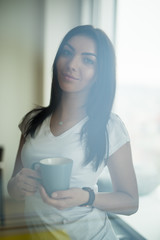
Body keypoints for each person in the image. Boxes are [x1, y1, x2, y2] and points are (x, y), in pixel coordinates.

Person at [7, 25, 139, 240]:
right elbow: (14, 188)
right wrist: (16, 185)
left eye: (88, 60)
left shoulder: (109, 127)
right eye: (67, 53)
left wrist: (87, 197)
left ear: (99, 74)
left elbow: (131, 202)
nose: (71, 64)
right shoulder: (32, 122)